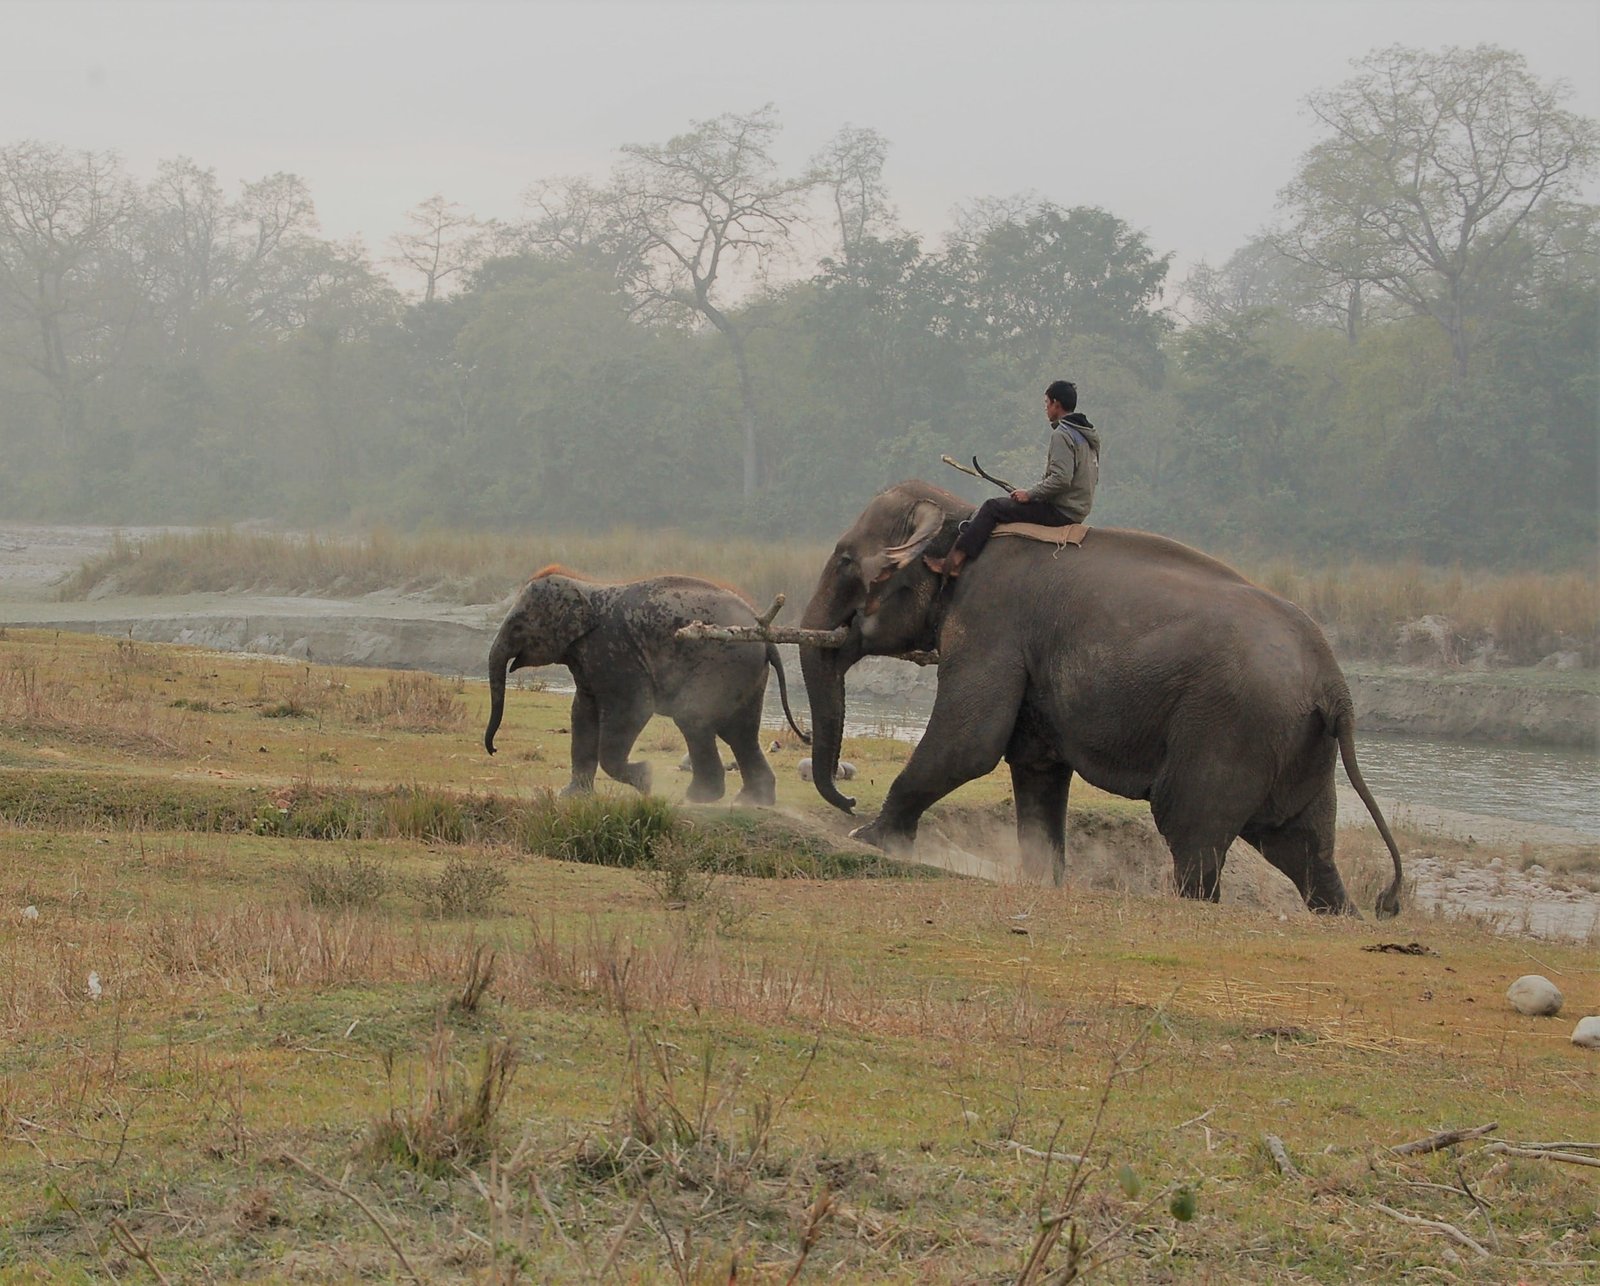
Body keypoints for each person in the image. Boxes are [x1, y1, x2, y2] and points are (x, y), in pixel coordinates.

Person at [924, 379, 1100, 579]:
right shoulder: (1085, 436)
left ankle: (953, 562)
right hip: (1077, 508)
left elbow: (1061, 479)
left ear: (1056, 404)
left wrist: (1030, 494)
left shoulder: (1062, 434)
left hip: (1062, 511)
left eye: (1046, 403)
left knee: (992, 507)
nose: (1046, 408)